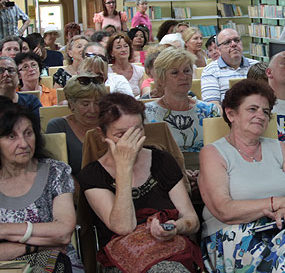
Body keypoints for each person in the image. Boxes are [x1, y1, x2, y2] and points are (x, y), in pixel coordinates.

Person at [198, 79, 285, 273]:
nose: (261, 115)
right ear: (230, 113)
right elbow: (224, 210)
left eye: (266, 111)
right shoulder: (214, 153)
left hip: (283, 229)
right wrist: (277, 203)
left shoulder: (279, 148)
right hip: (234, 238)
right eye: (252, 109)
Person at [78, 93, 201, 272]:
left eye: (137, 132)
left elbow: (192, 220)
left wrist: (175, 227)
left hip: (169, 251)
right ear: (101, 134)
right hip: (122, 260)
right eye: (121, 135)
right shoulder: (93, 175)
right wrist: (124, 168)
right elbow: (124, 226)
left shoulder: (162, 160)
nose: (131, 142)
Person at [0, 101, 82, 272]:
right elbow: (55, 237)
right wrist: (32, 248)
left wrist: (4, 231)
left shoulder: (56, 172)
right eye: (11, 136)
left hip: (57, 264)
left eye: (28, 133)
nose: (23, 143)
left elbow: (63, 232)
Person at [145, 48, 220, 172]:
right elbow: (147, 157)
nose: (183, 76)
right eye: (175, 73)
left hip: (208, 170)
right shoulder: (147, 113)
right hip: (165, 174)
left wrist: (203, 174)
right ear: (162, 79)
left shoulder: (209, 111)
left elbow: (219, 151)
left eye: (187, 71)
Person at [47, 74, 107, 177]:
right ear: (71, 104)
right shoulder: (58, 127)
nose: (93, 110)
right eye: (85, 104)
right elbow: (57, 172)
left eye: (97, 103)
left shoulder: (110, 124)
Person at [201, 28, 257, 109]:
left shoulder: (255, 66)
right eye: (227, 42)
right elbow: (213, 106)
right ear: (218, 48)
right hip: (227, 119)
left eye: (237, 40)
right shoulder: (210, 71)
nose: (234, 44)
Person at [106, 32, 144, 97]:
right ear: (111, 52)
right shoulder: (106, 72)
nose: (123, 50)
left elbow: (144, 95)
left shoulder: (140, 70)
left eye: (126, 46)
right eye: (118, 47)